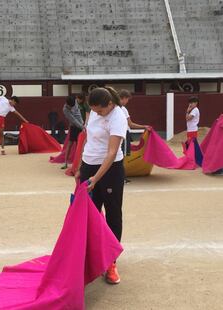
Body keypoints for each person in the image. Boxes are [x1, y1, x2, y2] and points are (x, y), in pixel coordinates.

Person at [76, 87, 127, 285]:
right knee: (89, 214)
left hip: (110, 170)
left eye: (100, 111)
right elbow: (88, 140)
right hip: (89, 167)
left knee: (112, 213)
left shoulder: (118, 116)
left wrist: (95, 179)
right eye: (93, 110)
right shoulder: (95, 111)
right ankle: (90, 257)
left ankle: (111, 262)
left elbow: (112, 152)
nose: (96, 114)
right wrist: (81, 167)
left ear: (110, 104)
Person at [119, 89, 150, 156]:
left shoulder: (111, 108)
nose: (127, 101)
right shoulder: (123, 109)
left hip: (114, 134)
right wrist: (144, 126)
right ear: (124, 98)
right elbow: (130, 124)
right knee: (122, 155)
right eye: (127, 99)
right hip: (123, 134)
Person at [61, 95, 84, 169]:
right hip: (74, 126)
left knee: (79, 145)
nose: (71, 107)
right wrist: (82, 127)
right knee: (70, 143)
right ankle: (65, 162)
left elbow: (78, 115)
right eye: (69, 106)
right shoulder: (65, 109)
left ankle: (78, 162)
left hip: (81, 125)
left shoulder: (75, 102)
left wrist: (82, 124)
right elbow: (73, 120)